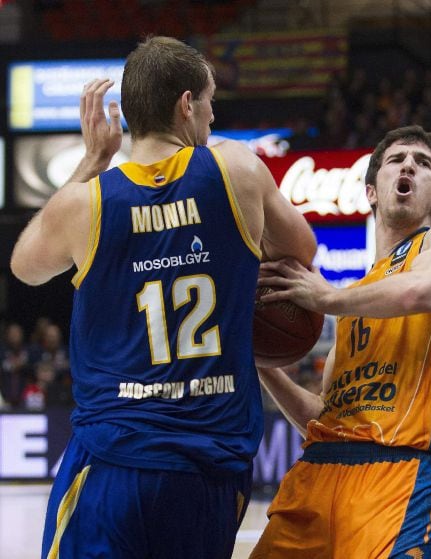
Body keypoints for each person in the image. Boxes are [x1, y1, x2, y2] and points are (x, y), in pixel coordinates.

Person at [10, 36, 316, 559]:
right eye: (211, 101)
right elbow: (300, 250)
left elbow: (25, 267)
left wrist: (92, 161)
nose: (213, 115)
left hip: (114, 457)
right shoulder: (236, 171)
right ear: (186, 104)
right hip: (210, 467)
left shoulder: (87, 204)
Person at [247, 125, 431, 558]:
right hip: (319, 470)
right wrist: (260, 362)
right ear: (372, 191)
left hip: (400, 471)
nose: (409, 167)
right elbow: (323, 415)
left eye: (423, 164)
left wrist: (327, 297)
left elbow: (422, 291)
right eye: (397, 160)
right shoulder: (355, 298)